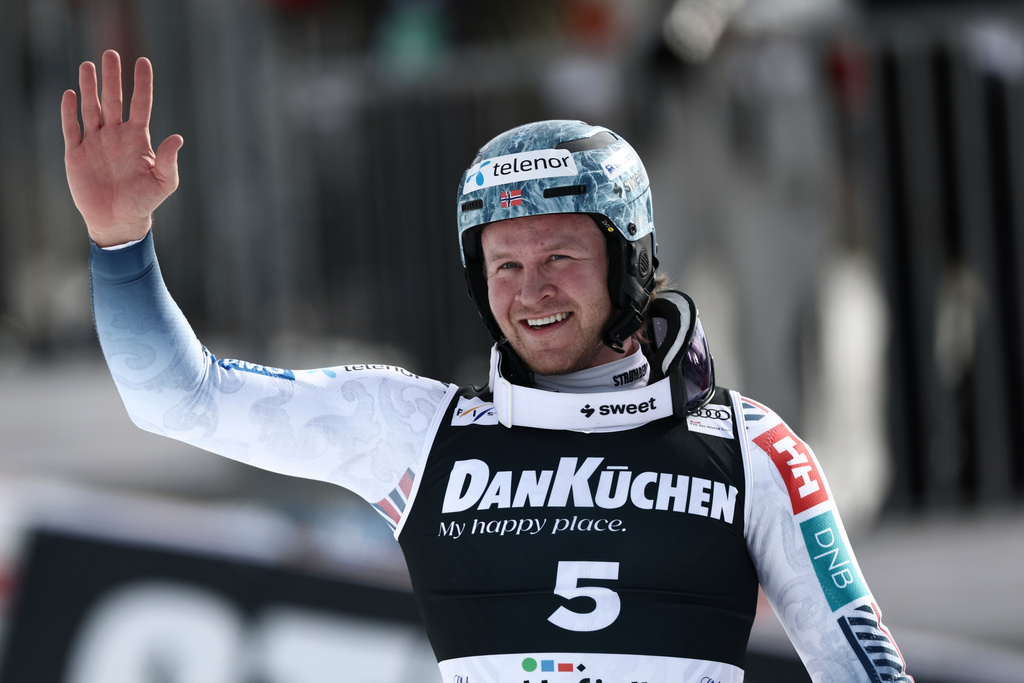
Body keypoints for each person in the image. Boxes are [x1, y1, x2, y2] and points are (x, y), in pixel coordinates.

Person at [63, 50, 913, 683]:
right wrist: (119, 244)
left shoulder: (752, 449)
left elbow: (868, 670)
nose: (530, 290)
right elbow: (180, 397)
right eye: (503, 264)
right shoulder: (413, 430)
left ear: (631, 261)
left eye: (561, 257)